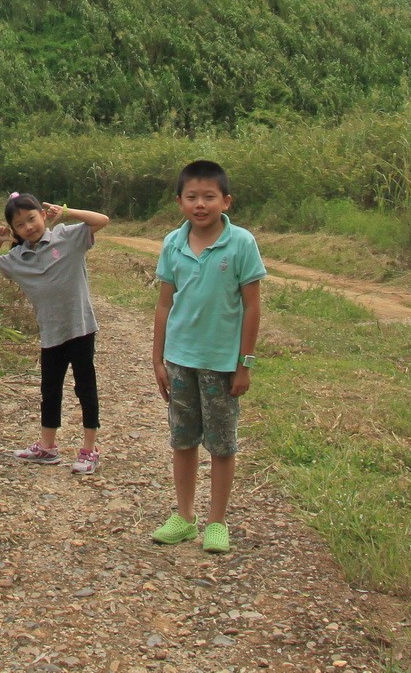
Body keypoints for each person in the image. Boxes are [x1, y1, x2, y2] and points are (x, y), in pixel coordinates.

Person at [150, 159, 265, 553]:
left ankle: (217, 522)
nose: (200, 205)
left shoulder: (242, 244)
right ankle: (184, 517)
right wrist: (158, 359)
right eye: (192, 197)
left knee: (221, 444)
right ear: (179, 201)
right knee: (182, 440)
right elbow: (164, 305)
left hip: (221, 363)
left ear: (226, 201)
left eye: (209, 197)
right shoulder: (172, 244)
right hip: (180, 359)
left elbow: (252, 307)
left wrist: (244, 363)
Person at [0, 191, 111, 473]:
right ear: (14, 230)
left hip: (80, 327)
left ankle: (89, 448)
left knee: (85, 387)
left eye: (32, 218)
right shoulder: (18, 257)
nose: (29, 227)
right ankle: (47, 446)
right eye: (20, 225)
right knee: (49, 390)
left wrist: (68, 212)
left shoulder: (67, 237)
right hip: (51, 332)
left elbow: (102, 220)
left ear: (43, 214)